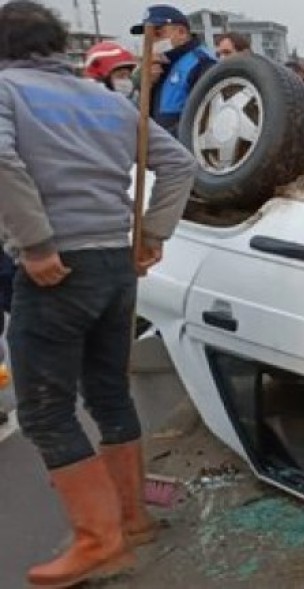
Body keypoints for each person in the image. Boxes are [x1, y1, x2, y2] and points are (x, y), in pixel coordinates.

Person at [0, 2, 198, 586]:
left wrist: (34, 243)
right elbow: (180, 164)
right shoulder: (107, 98)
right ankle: (131, 519)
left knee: (43, 409)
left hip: (56, 267)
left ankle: (98, 541)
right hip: (115, 262)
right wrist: (154, 235)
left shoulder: (6, 91)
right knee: (109, 392)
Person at [129, 4, 217, 136]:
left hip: (182, 152)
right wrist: (146, 85)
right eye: (147, 36)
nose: (152, 41)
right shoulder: (158, 65)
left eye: (158, 34)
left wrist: (161, 143)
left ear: (181, 33)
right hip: (158, 151)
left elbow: (206, 118)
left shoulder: (202, 63)